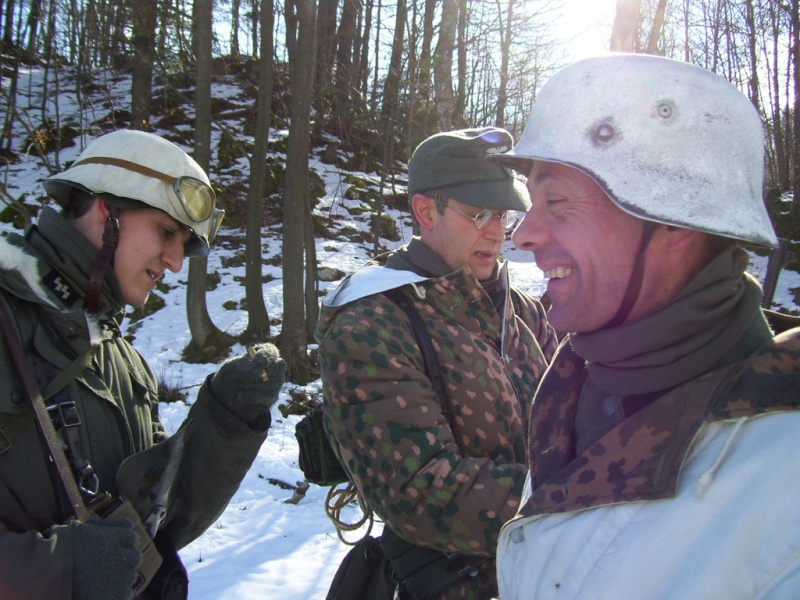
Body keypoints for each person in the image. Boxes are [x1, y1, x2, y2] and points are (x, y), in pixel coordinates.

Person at [490, 53, 800, 599]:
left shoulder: (782, 480)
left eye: (557, 200)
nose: (524, 235)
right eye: (531, 204)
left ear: (673, 220)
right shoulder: (574, 383)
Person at [0, 129, 286, 599]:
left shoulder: (123, 361)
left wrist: (226, 423)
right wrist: (59, 569)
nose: (175, 262)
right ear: (105, 209)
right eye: (166, 232)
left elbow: (154, 524)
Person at [317, 127, 558, 599]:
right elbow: (417, 489)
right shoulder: (373, 321)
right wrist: (573, 499)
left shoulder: (526, 311)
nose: (497, 232)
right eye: (479, 213)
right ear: (426, 212)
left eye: (503, 215)